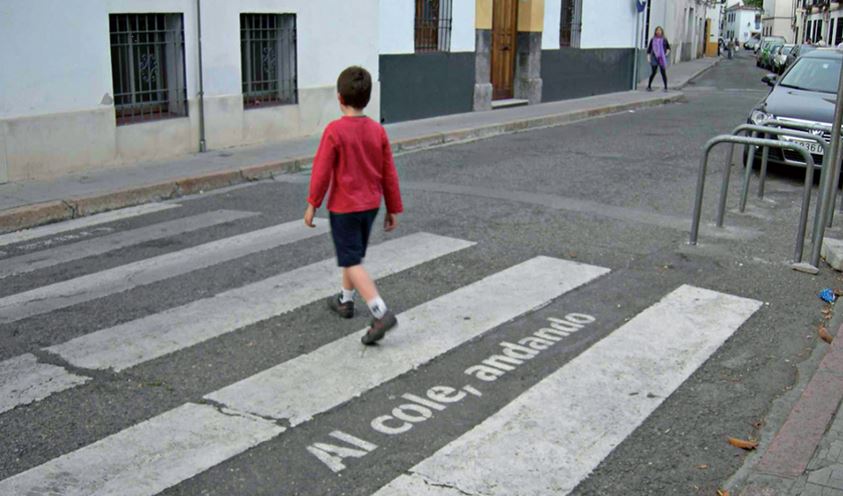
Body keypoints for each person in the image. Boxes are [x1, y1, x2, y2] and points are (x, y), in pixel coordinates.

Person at [304, 66, 404, 345]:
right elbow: (389, 171)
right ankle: (345, 301)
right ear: (369, 98)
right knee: (353, 255)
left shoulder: (334, 131)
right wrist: (392, 207)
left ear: (339, 98)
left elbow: (322, 170)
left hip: (344, 207)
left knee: (351, 259)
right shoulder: (377, 130)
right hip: (370, 206)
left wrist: (313, 203)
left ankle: (380, 312)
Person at [647, 26, 671, 92]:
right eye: (657, 30)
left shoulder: (664, 39)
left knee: (663, 72)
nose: (658, 31)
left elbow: (668, 48)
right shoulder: (652, 39)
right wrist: (648, 58)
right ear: (655, 32)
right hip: (654, 57)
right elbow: (649, 50)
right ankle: (649, 86)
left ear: (662, 32)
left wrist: (666, 53)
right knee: (654, 72)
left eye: (660, 30)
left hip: (661, 58)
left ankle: (666, 87)